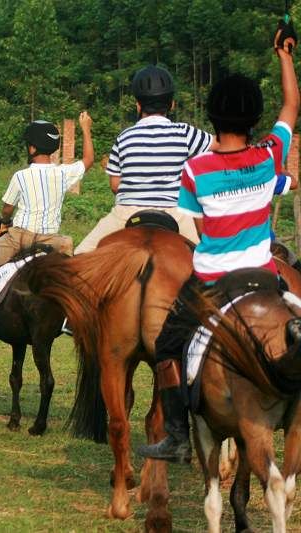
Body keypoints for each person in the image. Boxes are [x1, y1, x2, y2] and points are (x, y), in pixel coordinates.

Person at [138, 19, 299, 463]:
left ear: (212, 116)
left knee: (169, 345)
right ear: (252, 117)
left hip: (211, 282)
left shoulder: (197, 170)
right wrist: (284, 55)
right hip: (264, 276)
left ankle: (175, 434)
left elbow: (198, 228)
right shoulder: (269, 157)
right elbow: (291, 108)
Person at [74, 65, 215, 254]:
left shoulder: (125, 136)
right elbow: (223, 146)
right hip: (176, 213)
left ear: (138, 105)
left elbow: (115, 185)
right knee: (210, 262)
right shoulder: (185, 132)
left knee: (80, 256)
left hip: (127, 213)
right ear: (172, 104)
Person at [0, 111, 94, 269]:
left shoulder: (20, 176)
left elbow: (7, 209)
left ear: (31, 149)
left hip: (19, 238)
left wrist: (5, 220)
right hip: (53, 241)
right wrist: (85, 128)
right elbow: (89, 160)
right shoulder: (62, 173)